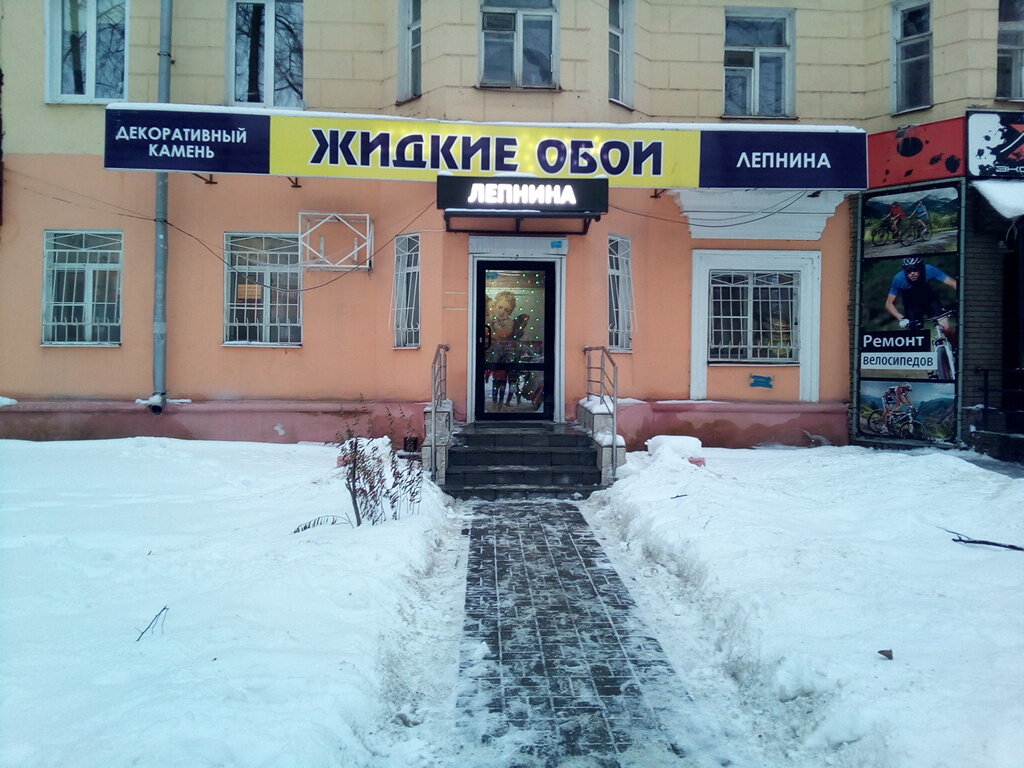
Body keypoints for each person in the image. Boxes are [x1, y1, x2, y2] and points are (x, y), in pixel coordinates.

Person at [885, 256, 957, 348]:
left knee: (946, 328)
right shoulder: (899, 279)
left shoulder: (929, 269)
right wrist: (901, 318)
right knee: (916, 338)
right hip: (912, 305)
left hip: (930, 300)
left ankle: (956, 348)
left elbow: (953, 283)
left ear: (921, 268)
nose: (912, 273)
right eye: (908, 270)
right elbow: (888, 304)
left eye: (915, 269)